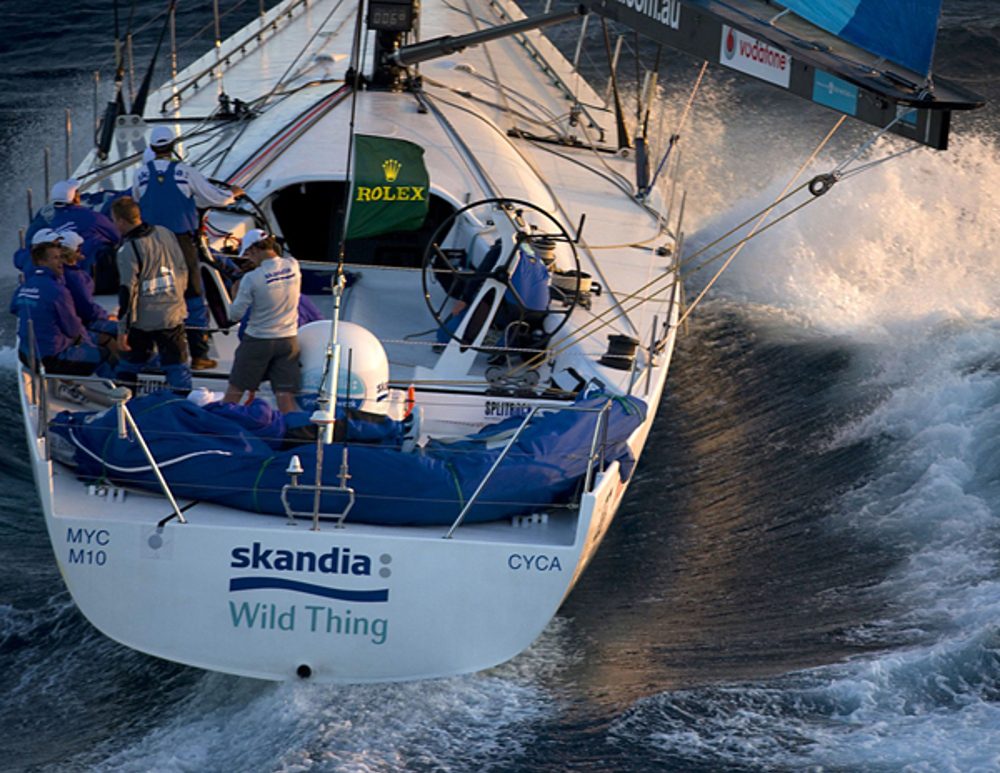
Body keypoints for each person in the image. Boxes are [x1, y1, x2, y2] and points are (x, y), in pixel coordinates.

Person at [133, 125, 245, 370]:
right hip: (181, 242)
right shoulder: (185, 172)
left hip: (151, 243)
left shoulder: (140, 175)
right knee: (193, 295)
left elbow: (138, 200)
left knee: (155, 295)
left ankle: (158, 354)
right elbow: (214, 196)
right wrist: (233, 194)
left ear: (151, 148)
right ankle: (199, 355)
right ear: (174, 145)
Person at [110, 196, 192, 393]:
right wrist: (177, 298)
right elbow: (182, 268)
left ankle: (124, 405)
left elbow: (128, 291)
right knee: (178, 368)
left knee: (129, 365)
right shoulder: (165, 233)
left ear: (121, 221)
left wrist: (123, 330)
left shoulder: (128, 249)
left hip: (144, 320)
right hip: (173, 313)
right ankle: (183, 406)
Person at [10, 237, 116, 380]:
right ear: (41, 262)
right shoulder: (58, 291)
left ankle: (69, 385)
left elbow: (14, 308)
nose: (61, 262)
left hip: (26, 355)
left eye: (60, 257)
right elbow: (72, 329)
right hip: (50, 359)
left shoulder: (25, 286)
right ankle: (119, 392)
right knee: (104, 354)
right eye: (55, 258)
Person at [224, 230, 301, 413]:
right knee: (284, 395)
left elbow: (234, 315)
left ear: (253, 250)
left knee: (235, 391)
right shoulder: (293, 265)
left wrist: (235, 296)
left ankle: (220, 429)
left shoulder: (251, 278)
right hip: (288, 341)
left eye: (248, 254)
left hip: (258, 341)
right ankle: (290, 433)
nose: (250, 260)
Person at [18, 178, 121, 292]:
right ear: (75, 198)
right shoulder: (92, 217)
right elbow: (118, 237)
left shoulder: (50, 223)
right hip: (92, 280)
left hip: (60, 282)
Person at [57, 228, 119, 344]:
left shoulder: (58, 273)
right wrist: (106, 316)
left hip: (69, 323)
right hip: (83, 323)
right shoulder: (75, 277)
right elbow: (87, 308)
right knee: (122, 330)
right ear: (77, 250)